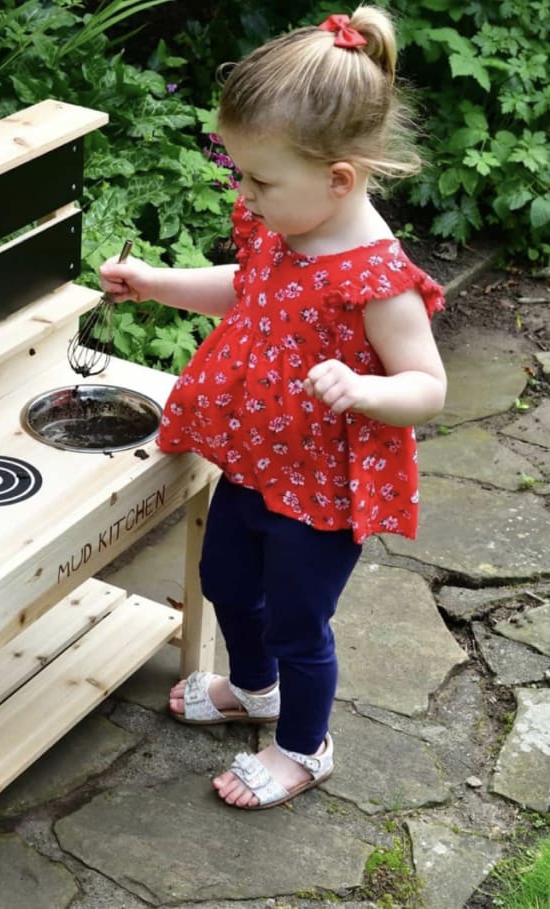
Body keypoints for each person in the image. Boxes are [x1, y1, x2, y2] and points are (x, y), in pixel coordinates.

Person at [99, 7, 447, 810]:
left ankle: (302, 746)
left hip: (322, 493)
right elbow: (244, 292)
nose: (245, 195)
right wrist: (156, 283)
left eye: (260, 181)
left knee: (298, 623)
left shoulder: (378, 280)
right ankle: (254, 690)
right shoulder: (283, 229)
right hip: (255, 461)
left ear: (338, 180)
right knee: (224, 578)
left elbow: (428, 386)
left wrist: (365, 390)